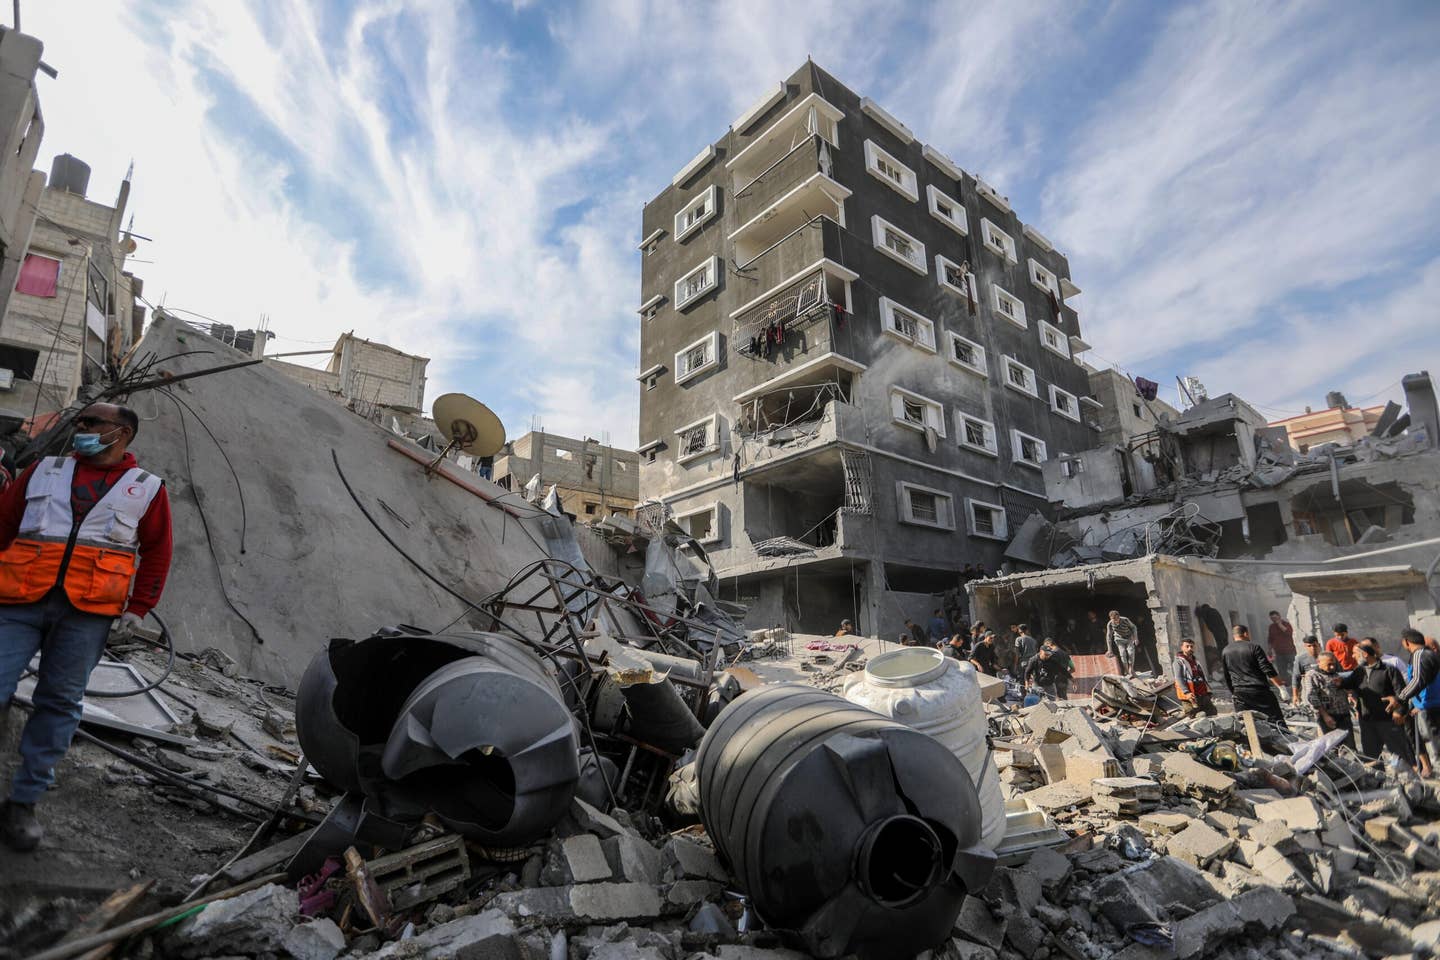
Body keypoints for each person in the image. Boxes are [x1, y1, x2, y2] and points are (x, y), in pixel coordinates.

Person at [0, 404, 172, 851]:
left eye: (91, 424)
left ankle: (24, 801)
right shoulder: (43, 470)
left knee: (59, 702)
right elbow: (3, 523)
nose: (80, 430)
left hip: (88, 612)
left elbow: (156, 551)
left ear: (122, 433)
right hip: (18, 598)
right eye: (80, 423)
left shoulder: (146, 488)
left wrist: (139, 607)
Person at [1341, 640, 1412, 763]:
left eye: (1355, 653)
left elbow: (1401, 693)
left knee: (1399, 753)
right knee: (1372, 756)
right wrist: (1335, 681)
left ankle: (1409, 779)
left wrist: (1399, 712)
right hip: (1367, 721)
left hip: (1388, 720)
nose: (1353, 656)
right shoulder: (1359, 672)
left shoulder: (1389, 670)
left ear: (1365, 654)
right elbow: (1346, 683)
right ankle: (1378, 781)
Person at [1220, 624, 1288, 726]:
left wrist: (1234, 692)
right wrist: (1281, 687)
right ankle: (1284, 740)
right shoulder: (1254, 647)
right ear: (1246, 634)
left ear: (1234, 636)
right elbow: (1267, 669)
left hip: (1240, 694)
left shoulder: (1226, 650)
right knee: (1276, 722)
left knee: (1247, 725)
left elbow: (1227, 675)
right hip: (1259, 692)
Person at [1398, 628, 1440, 774]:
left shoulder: (1419, 655)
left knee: (1433, 743)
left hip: (1429, 706)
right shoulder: (1431, 655)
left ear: (1406, 642)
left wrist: (1401, 698)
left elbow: (1417, 681)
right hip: (1430, 704)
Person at [1305, 653, 1354, 745]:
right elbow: (1312, 697)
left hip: (1343, 714)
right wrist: (1325, 715)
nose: (1332, 667)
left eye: (1333, 664)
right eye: (1329, 664)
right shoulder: (1313, 675)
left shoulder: (1336, 673)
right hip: (1328, 716)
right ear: (1319, 662)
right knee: (1332, 746)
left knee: (1350, 746)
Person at [1173, 638, 1217, 718]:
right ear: (1182, 647)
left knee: (1212, 712)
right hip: (1189, 695)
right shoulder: (1179, 661)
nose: (1190, 648)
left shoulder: (1195, 660)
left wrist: (1208, 690)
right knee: (1191, 714)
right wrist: (1186, 692)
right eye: (1187, 646)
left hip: (1201, 692)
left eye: (1191, 646)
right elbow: (1179, 678)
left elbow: (1201, 676)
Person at [1105, 610, 1139, 677]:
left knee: (1131, 653)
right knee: (1122, 654)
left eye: (1117, 619)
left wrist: (1136, 638)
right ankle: (1126, 670)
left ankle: (1131, 669)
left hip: (1129, 638)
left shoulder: (1125, 620)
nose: (1116, 621)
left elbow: (1134, 627)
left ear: (1119, 617)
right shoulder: (1110, 624)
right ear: (1111, 618)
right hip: (1119, 639)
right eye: (1114, 620)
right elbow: (1109, 636)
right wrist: (1109, 649)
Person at [1267, 611, 1296, 681]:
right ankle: (1287, 684)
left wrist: (1279, 624)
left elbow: (1289, 633)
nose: (1274, 620)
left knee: (1294, 669)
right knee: (1282, 671)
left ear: (1279, 616)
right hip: (1278, 653)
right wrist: (1269, 649)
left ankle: (1297, 682)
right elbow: (1270, 639)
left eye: (1275, 618)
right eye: (1272, 618)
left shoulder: (1287, 624)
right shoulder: (1271, 627)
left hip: (1290, 651)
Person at [1291, 635, 1321, 704]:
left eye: (1314, 645)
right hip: (1312, 693)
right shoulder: (1301, 659)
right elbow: (1296, 678)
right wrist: (1295, 695)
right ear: (1305, 646)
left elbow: (1339, 673)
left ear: (1318, 645)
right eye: (1309, 646)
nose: (1312, 648)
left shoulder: (1327, 656)